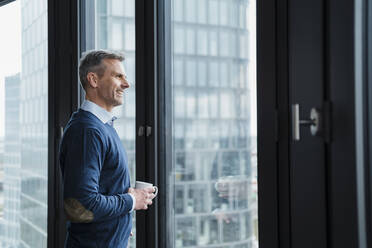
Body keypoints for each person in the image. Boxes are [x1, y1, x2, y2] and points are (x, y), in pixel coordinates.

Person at [59, 50, 155, 248]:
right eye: (118, 76)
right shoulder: (87, 131)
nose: (126, 84)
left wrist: (119, 221)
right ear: (93, 80)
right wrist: (131, 200)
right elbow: (81, 206)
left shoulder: (103, 126)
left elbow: (103, 191)